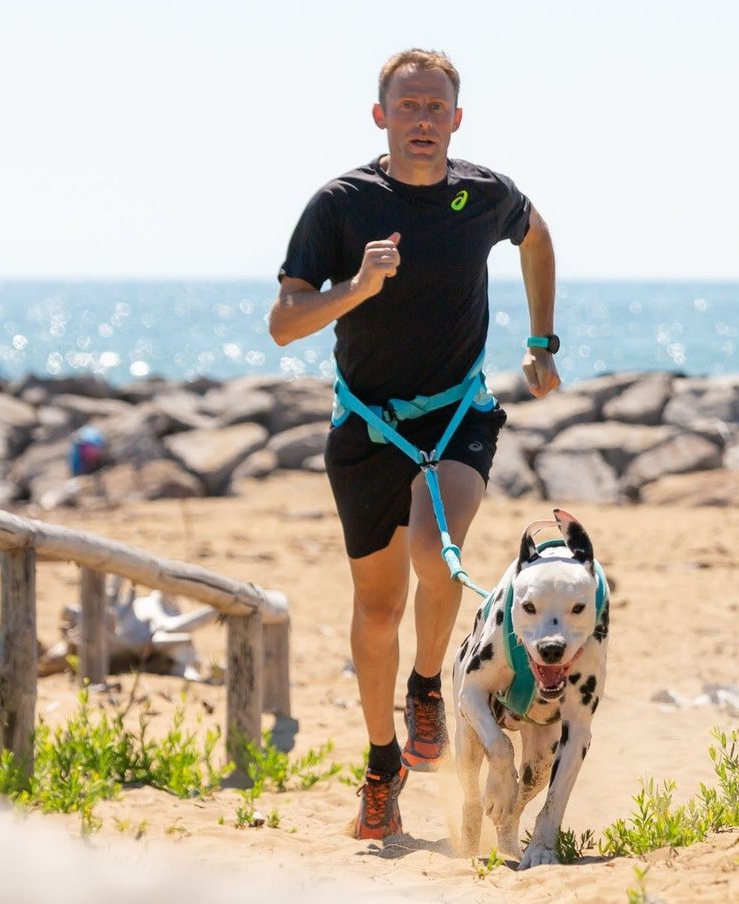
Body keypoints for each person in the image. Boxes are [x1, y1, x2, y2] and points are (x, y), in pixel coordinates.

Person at [269, 48, 560, 840]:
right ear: (382, 116)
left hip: (457, 411)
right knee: (376, 605)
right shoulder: (341, 205)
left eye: (437, 108)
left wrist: (542, 339)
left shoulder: (485, 195)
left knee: (438, 556)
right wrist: (356, 289)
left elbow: (537, 238)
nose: (423, 120)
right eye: (409, 107)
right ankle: (379, 762)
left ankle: (427, 685)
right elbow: (284, 322)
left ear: (456, 120)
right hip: (366, 426)